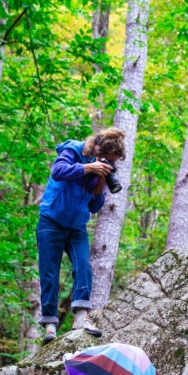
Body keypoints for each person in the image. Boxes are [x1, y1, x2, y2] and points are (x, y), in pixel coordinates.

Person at [37, 126, 126, 344]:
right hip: (51, 221)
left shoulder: (101, 170)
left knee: (84, 267)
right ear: (97, 150)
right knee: (50, 272)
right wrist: (88, 168)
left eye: (112, 162)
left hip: (77, 226)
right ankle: (50, 326)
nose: (108, 164)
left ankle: (81, 318)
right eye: (106, 159)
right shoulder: (73, 150)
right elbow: (58, 171)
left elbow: (95, 207)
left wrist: (102, 181)